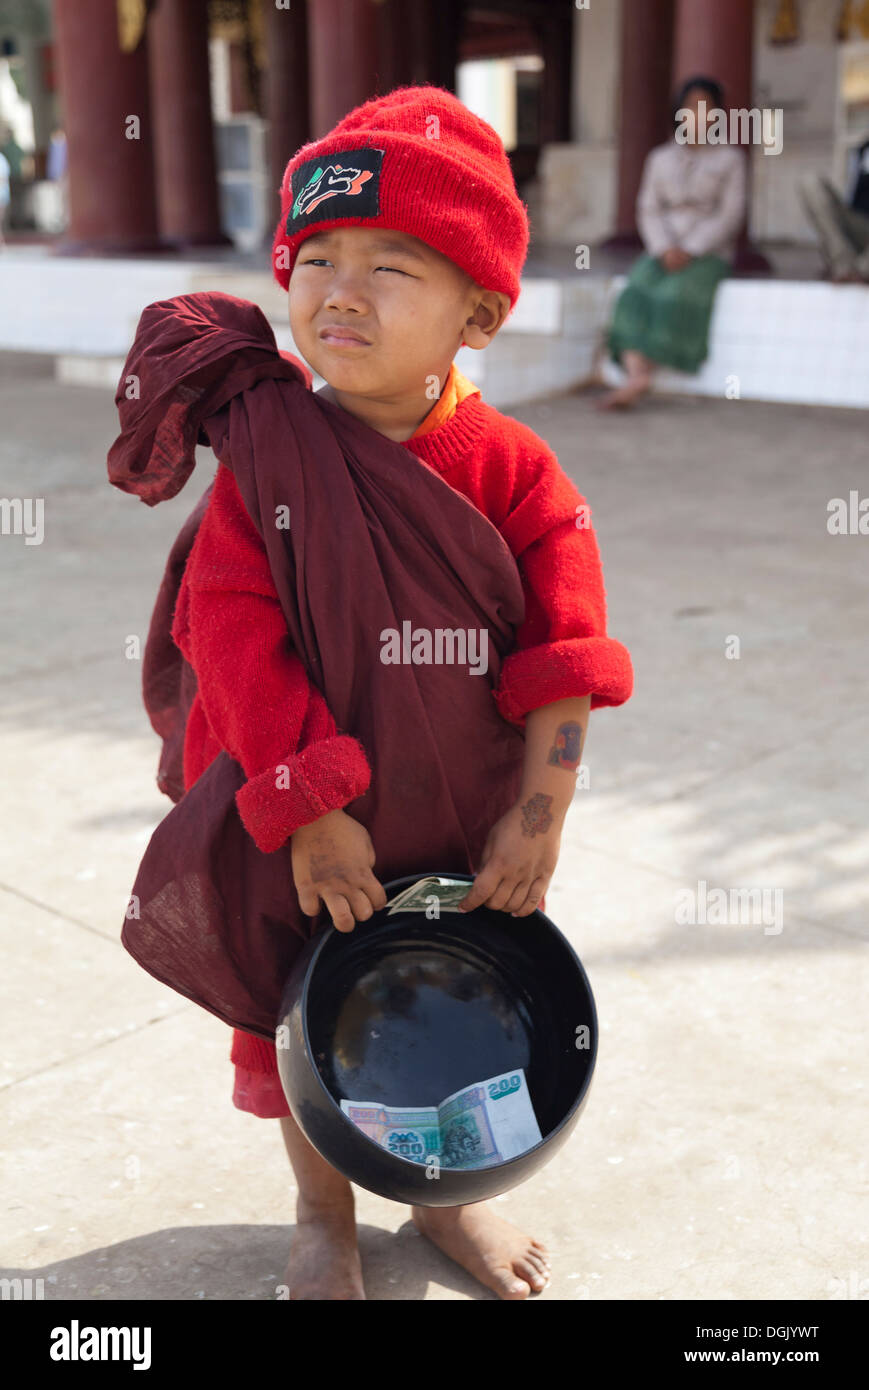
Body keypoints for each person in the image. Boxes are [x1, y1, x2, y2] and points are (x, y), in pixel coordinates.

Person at [108, 85, 634, 1301]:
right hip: (307, 824)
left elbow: (568, 653)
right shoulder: (271, 466)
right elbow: (231, 636)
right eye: (319, 257)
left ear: (481, 311)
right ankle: (321, 1212)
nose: (339, 290)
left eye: (393, 265)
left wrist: (538, 817)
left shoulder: (516, 470)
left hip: (462, 814)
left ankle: (452, 1203)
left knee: (454, 1010)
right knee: (312, 1023)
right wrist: (304, 804)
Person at [600, 76, 747, 410]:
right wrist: (665, 247)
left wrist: (691, 249)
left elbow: (731, 214)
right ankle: (636, 376)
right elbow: (648, 208)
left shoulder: (731, 159)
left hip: (708, 252)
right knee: (634, 292)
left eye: (705, 107)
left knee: (674, 295)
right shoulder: (659, 159)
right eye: (690, 106)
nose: (697, 114)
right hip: (661, 249)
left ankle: (648, 372)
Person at [799, 136, 869, 283]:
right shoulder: (862, 148)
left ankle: (863, 270)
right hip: (860, 225)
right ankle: (843, 266)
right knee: (810, 182)